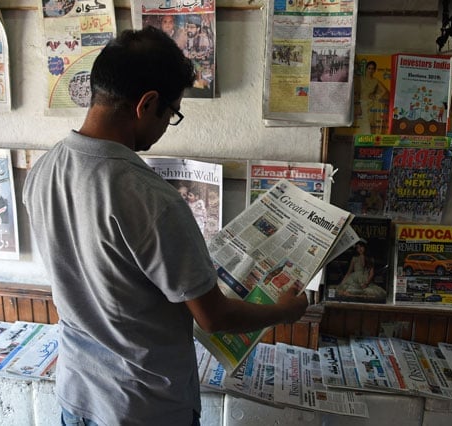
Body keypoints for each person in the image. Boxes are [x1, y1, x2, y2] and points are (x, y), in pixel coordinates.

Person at [22, 27, 307, 426]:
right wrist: (282, 312)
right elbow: (214, 318)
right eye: (172, 114)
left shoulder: (45, 169)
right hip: (144, 407)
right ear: (147, 104)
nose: (166, 126)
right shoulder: (152, 199)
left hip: (77, 394)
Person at [355, 60, 389, 134]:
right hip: (362, 104)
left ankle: (367, 142)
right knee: (363, 124)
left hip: (371, 104)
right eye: (369, 68)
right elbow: (357, 93)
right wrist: (358, 105)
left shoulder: (375, 81)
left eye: (372, 69)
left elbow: (384, 91)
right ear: (366, 69)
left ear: (374, 70)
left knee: (369, 124)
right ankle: (363, 142)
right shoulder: (360, 79)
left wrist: (376, 96)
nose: (370, 70)